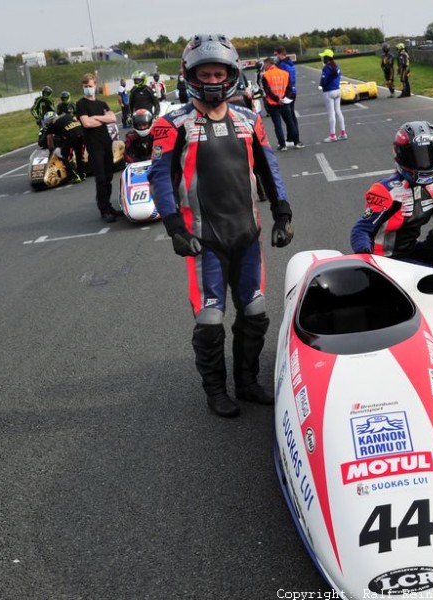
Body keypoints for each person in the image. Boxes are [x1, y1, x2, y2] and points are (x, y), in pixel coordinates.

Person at [147, 33, 294, 418]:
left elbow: (268, 166)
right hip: (203, 242)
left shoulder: (249, 117)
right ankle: (215, 390)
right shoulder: (171, 123)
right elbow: (159, 177)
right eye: (204, 73)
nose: (212, 80)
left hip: (248, 235)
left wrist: (283, 212)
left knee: (256, 313)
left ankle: (246, 382)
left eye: (219, 73)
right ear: (189, 74)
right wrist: (175, 227)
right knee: (210, 319)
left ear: (231, 74)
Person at [350, 121, 433, 267]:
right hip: (386, 260)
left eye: (431, 155)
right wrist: (368, 257)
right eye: (418, 157)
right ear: (401, 156)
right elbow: (361, 230)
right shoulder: (385, 191)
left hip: (412, 250)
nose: (425, 163)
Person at [76, 72, 122, 222]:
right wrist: (102, 119)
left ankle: (109, 206)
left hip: (106, 143)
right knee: (101, 179)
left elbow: (113, 118)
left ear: (95, 85)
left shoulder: (102, 104)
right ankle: (104, 210)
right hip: (94, 146)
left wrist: (96, 118)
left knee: (109, 177)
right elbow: (86, 123)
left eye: (90, 86)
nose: (88, 88)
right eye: (85, 86)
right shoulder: (81, 104)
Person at [261, 56, 302, 151]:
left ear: (268, 64)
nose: (264, 67)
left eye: (265, 65)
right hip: (284, 102)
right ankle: (296, 142)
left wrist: (277, 99)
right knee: (290, 122)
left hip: (273, 104)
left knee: (278, 125)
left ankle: (282, 145)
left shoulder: (266, 75)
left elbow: (268, 91)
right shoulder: (285, 73)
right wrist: (284, 98)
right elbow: (289, 89)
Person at [43, 111, 86, 183]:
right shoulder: (66, 115)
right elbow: (76, 119)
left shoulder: (51, 125)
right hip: (82, 134)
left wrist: (51, 151)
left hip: (71, 137)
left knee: (66, 157)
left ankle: (76, 176)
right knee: (80, 156)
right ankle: (82, 175)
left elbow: (49, 138)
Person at [318, 49, 347, 142]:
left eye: (324, 57)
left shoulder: (326, 68)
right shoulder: (337, 66)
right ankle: (343, 133)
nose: (322, 58)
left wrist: (321, 85)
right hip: (337, 90)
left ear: (327, 58)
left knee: (331, 113)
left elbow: (323, 81)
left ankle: (332, 135)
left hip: (329, 92)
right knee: (338, 111)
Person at [274, 46, 300, 142]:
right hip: (293, 91)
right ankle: (292, 137)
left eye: (276, 54)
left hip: (287, 92)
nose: (276, 57)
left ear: (280, 54)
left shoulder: (282, 65)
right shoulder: (290, 63)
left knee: (288, 117)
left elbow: (282, 78)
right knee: (291, 116)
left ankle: (293, 138)